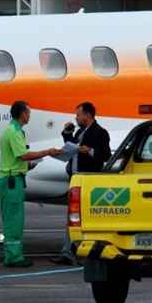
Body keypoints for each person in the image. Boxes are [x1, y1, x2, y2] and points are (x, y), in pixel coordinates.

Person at [0, 101, 61, 268]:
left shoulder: (15, 131)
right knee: (14, 219)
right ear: (22, 114)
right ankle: (13, 257)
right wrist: (47, 152)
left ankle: (13, 254)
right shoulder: (13, 132)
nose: (29, 115)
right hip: (11, 181)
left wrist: (30, 165)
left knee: (14, 218)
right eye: (28, 113)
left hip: (14, 179)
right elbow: (23, 155)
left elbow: (18, 158)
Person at [51, 101, 111, 265]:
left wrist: (90, 151)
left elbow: (105, 156)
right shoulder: (80, 132)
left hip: (88, 179)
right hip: (76, 179)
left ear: (87, 115)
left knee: (85, 218)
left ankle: (81, 253)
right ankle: (68, 252)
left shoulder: (100, 133)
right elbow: (73, 147)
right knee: (73, 217)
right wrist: (66, 134)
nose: (76, 118)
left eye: (78, 115)